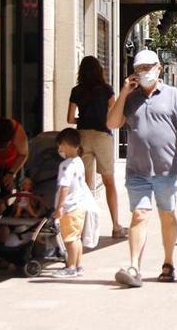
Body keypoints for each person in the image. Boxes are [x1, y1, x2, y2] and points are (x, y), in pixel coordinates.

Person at [107, 50, 177, 288]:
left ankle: (168, 262)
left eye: (148, 67)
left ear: (159, 68)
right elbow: (112, 123)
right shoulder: (131, 97)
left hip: (166, 169)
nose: (144, 72)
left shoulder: (173, 95)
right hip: (137, 170)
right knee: (139, 215)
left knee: (166, 215)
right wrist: (124, 92)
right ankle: (134, 266)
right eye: (140, 68)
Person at [67, 56, 126, 239]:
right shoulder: (106, 90)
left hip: (82, 136)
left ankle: (84, 229)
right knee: (109, 181)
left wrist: (82, 119)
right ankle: (116, 226)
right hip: (102, 136)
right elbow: (115, 113)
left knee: (84, 184)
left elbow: (69, 119)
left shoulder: (76, 90)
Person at [52, 128, 89, 278]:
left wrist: (60, 207)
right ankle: (79, 265)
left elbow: (64, 187)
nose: (59, 149)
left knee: (70, 239)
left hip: (69, 207)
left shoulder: (66, 165)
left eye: (60, 145)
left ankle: (71, 266)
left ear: (65, 144)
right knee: (76, 237)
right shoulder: (79, 161)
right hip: (80, 206)